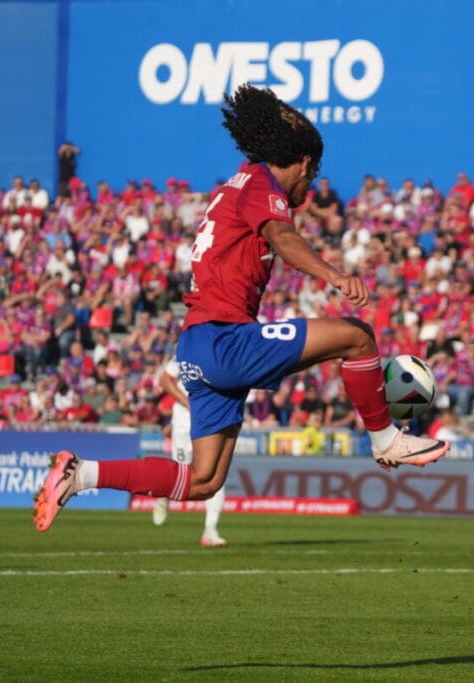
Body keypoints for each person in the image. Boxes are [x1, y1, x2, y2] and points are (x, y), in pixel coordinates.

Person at [33, 84, 449, 532]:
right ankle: (386, 439)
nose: (308, 189)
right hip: (225, 339)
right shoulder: (259, 184)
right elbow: (283, 237)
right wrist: (334, 275)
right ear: (305, 164)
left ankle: (81, 474)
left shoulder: (236, 183)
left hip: (195, 346)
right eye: (312, 177)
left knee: (204, 480)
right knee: (357, 337)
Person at [152, 356, 227, 547]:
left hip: (214, 418)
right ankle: (164, 493)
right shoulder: (187, 348)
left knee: (217, 473)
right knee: (182, 472)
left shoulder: (227, 348)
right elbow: (165, 380)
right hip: (186, 421)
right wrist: (189, 404)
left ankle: (210, 530)